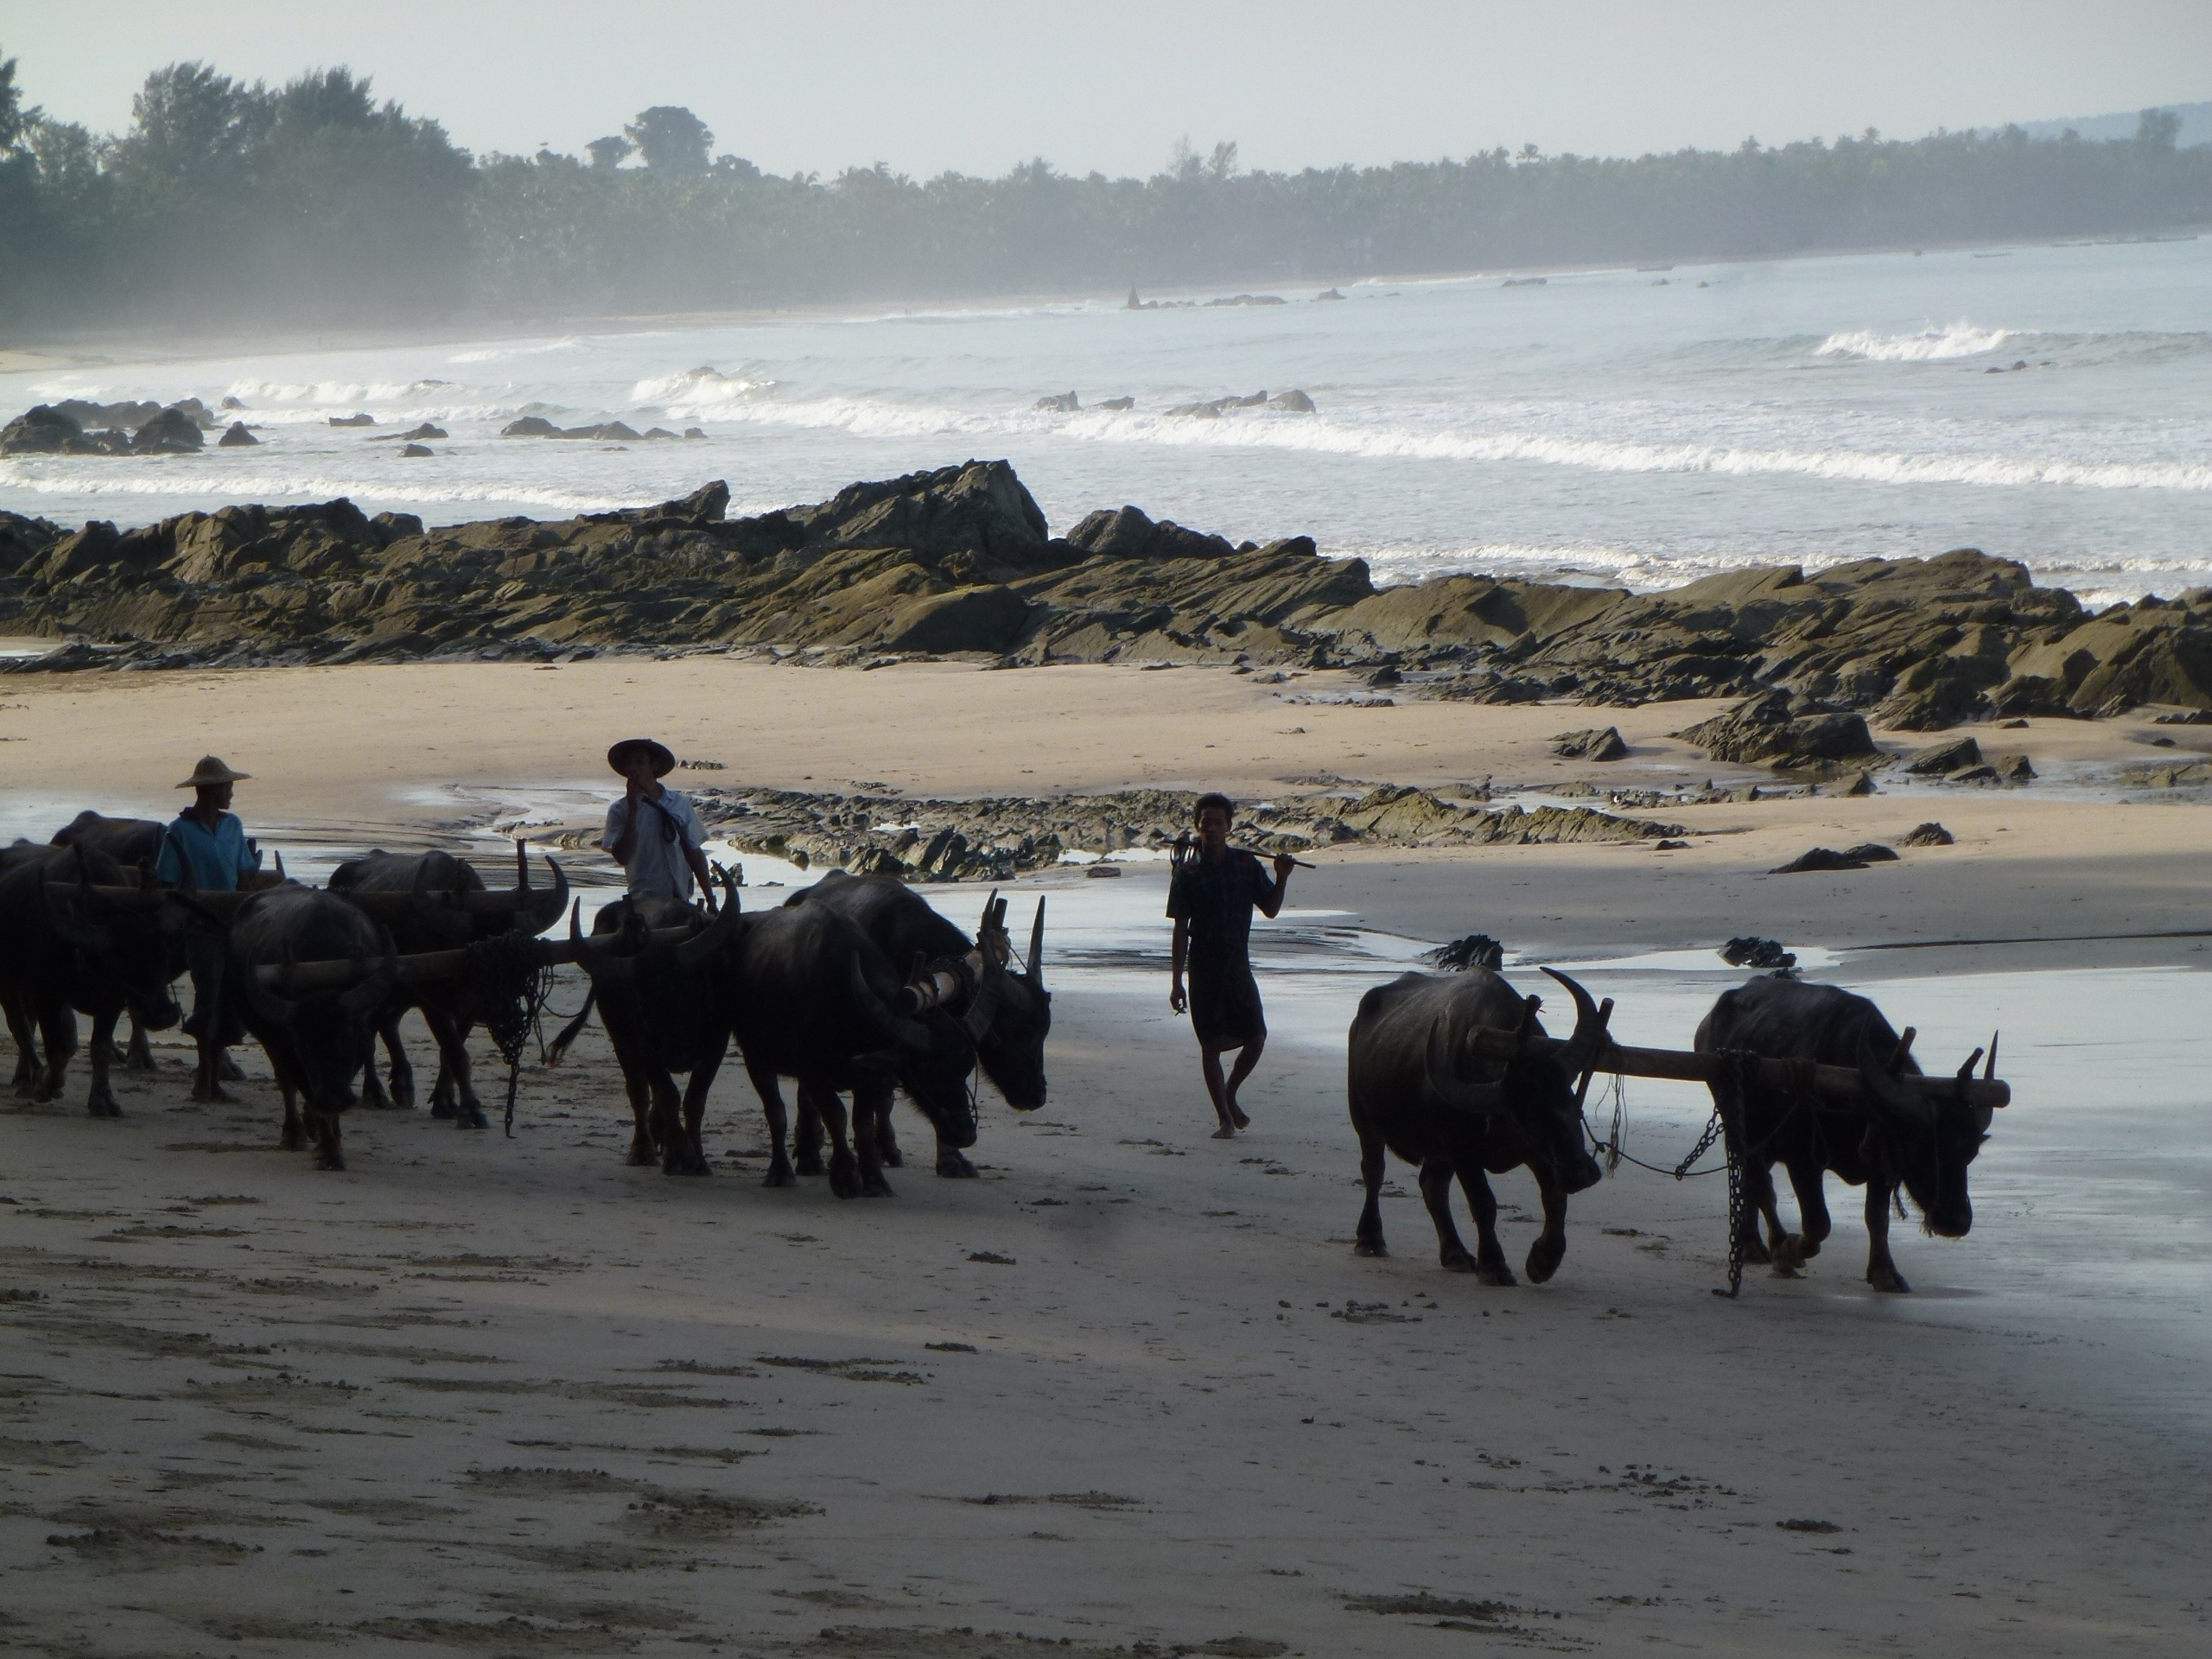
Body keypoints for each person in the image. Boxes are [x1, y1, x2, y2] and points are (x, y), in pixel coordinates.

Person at [1167, 791, 1296, 1139]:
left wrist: (1282, 877)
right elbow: (1180, 929)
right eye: (1205, 822)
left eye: (1218, 822)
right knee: (1210, 1045)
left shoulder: (1245, 865)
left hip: (1238, 964)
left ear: (1229, 827)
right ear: (1197, 826)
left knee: (1256, 1037)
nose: (1211, 828)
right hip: (1204, 967)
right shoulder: (1188, 873)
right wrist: (1176, 981)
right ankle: (1225, 1118)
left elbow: (1270, 908)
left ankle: (1230, 1093)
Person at [155, 755, 262, 1101]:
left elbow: (245, 875)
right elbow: (167, 883)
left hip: (234, 924)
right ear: (210, 790)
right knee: (208, 998)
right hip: (200, 926)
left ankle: (213, 1079)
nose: (231, 793)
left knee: (231, 999)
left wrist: (253, 902)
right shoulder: (179, 832)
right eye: (227, 787)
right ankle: (205, 1081)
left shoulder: (233, 826)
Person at [601, 738, 719, 914]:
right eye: (629, 764)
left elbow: (694, 852)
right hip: (643, 901)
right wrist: (633, 810)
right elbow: (622, 857)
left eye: (640, 762)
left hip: (680, 897)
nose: (634, 769)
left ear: (653, 766)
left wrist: (710, 900)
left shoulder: (678, 804)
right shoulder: (619, 810)